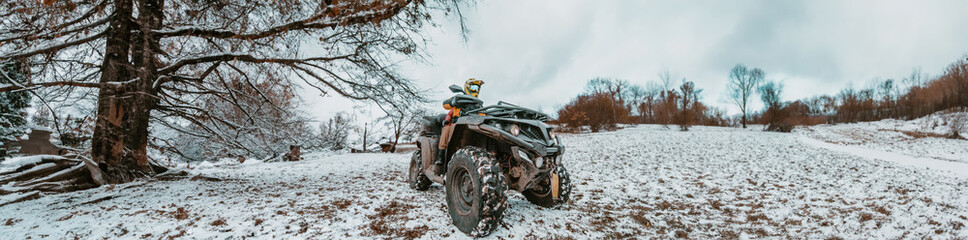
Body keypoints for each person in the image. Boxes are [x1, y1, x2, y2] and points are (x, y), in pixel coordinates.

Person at [436, 78, 484, 165]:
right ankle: (441, 155)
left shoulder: (478, 104)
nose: (476, 90)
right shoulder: (458, 99)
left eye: (477, 88)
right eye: (474, 87)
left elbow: (483, 115)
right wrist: (453, 102)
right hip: (456, 124)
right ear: (467, 87)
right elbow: (446, 106)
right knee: (446, 130)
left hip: (471, 125)